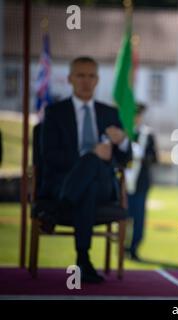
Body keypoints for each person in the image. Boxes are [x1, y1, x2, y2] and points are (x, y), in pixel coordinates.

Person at [40, 56, 131, 283]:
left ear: (98, 80)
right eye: (80, 75)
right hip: (65, 182)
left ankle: (58, 209)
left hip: (103, 186)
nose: (86, 81)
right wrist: (88, 155)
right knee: (88, 177)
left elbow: (125, 159)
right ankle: (83, 258)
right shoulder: (55, 112)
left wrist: (122, 143)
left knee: (93, 171)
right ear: (70, 78)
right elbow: (49, 157)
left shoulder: (109, 113)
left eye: (91, 76)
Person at [125, 104, 158, 261]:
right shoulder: (123, 133)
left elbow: (154, 158)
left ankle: (134, 248)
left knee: (138, 219)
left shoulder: (147, 135)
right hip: (123, 185)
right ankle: (122, 247)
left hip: (140, 184)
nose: (135, 117)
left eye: (137, 115)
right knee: (123, 218)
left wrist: (141, 156)